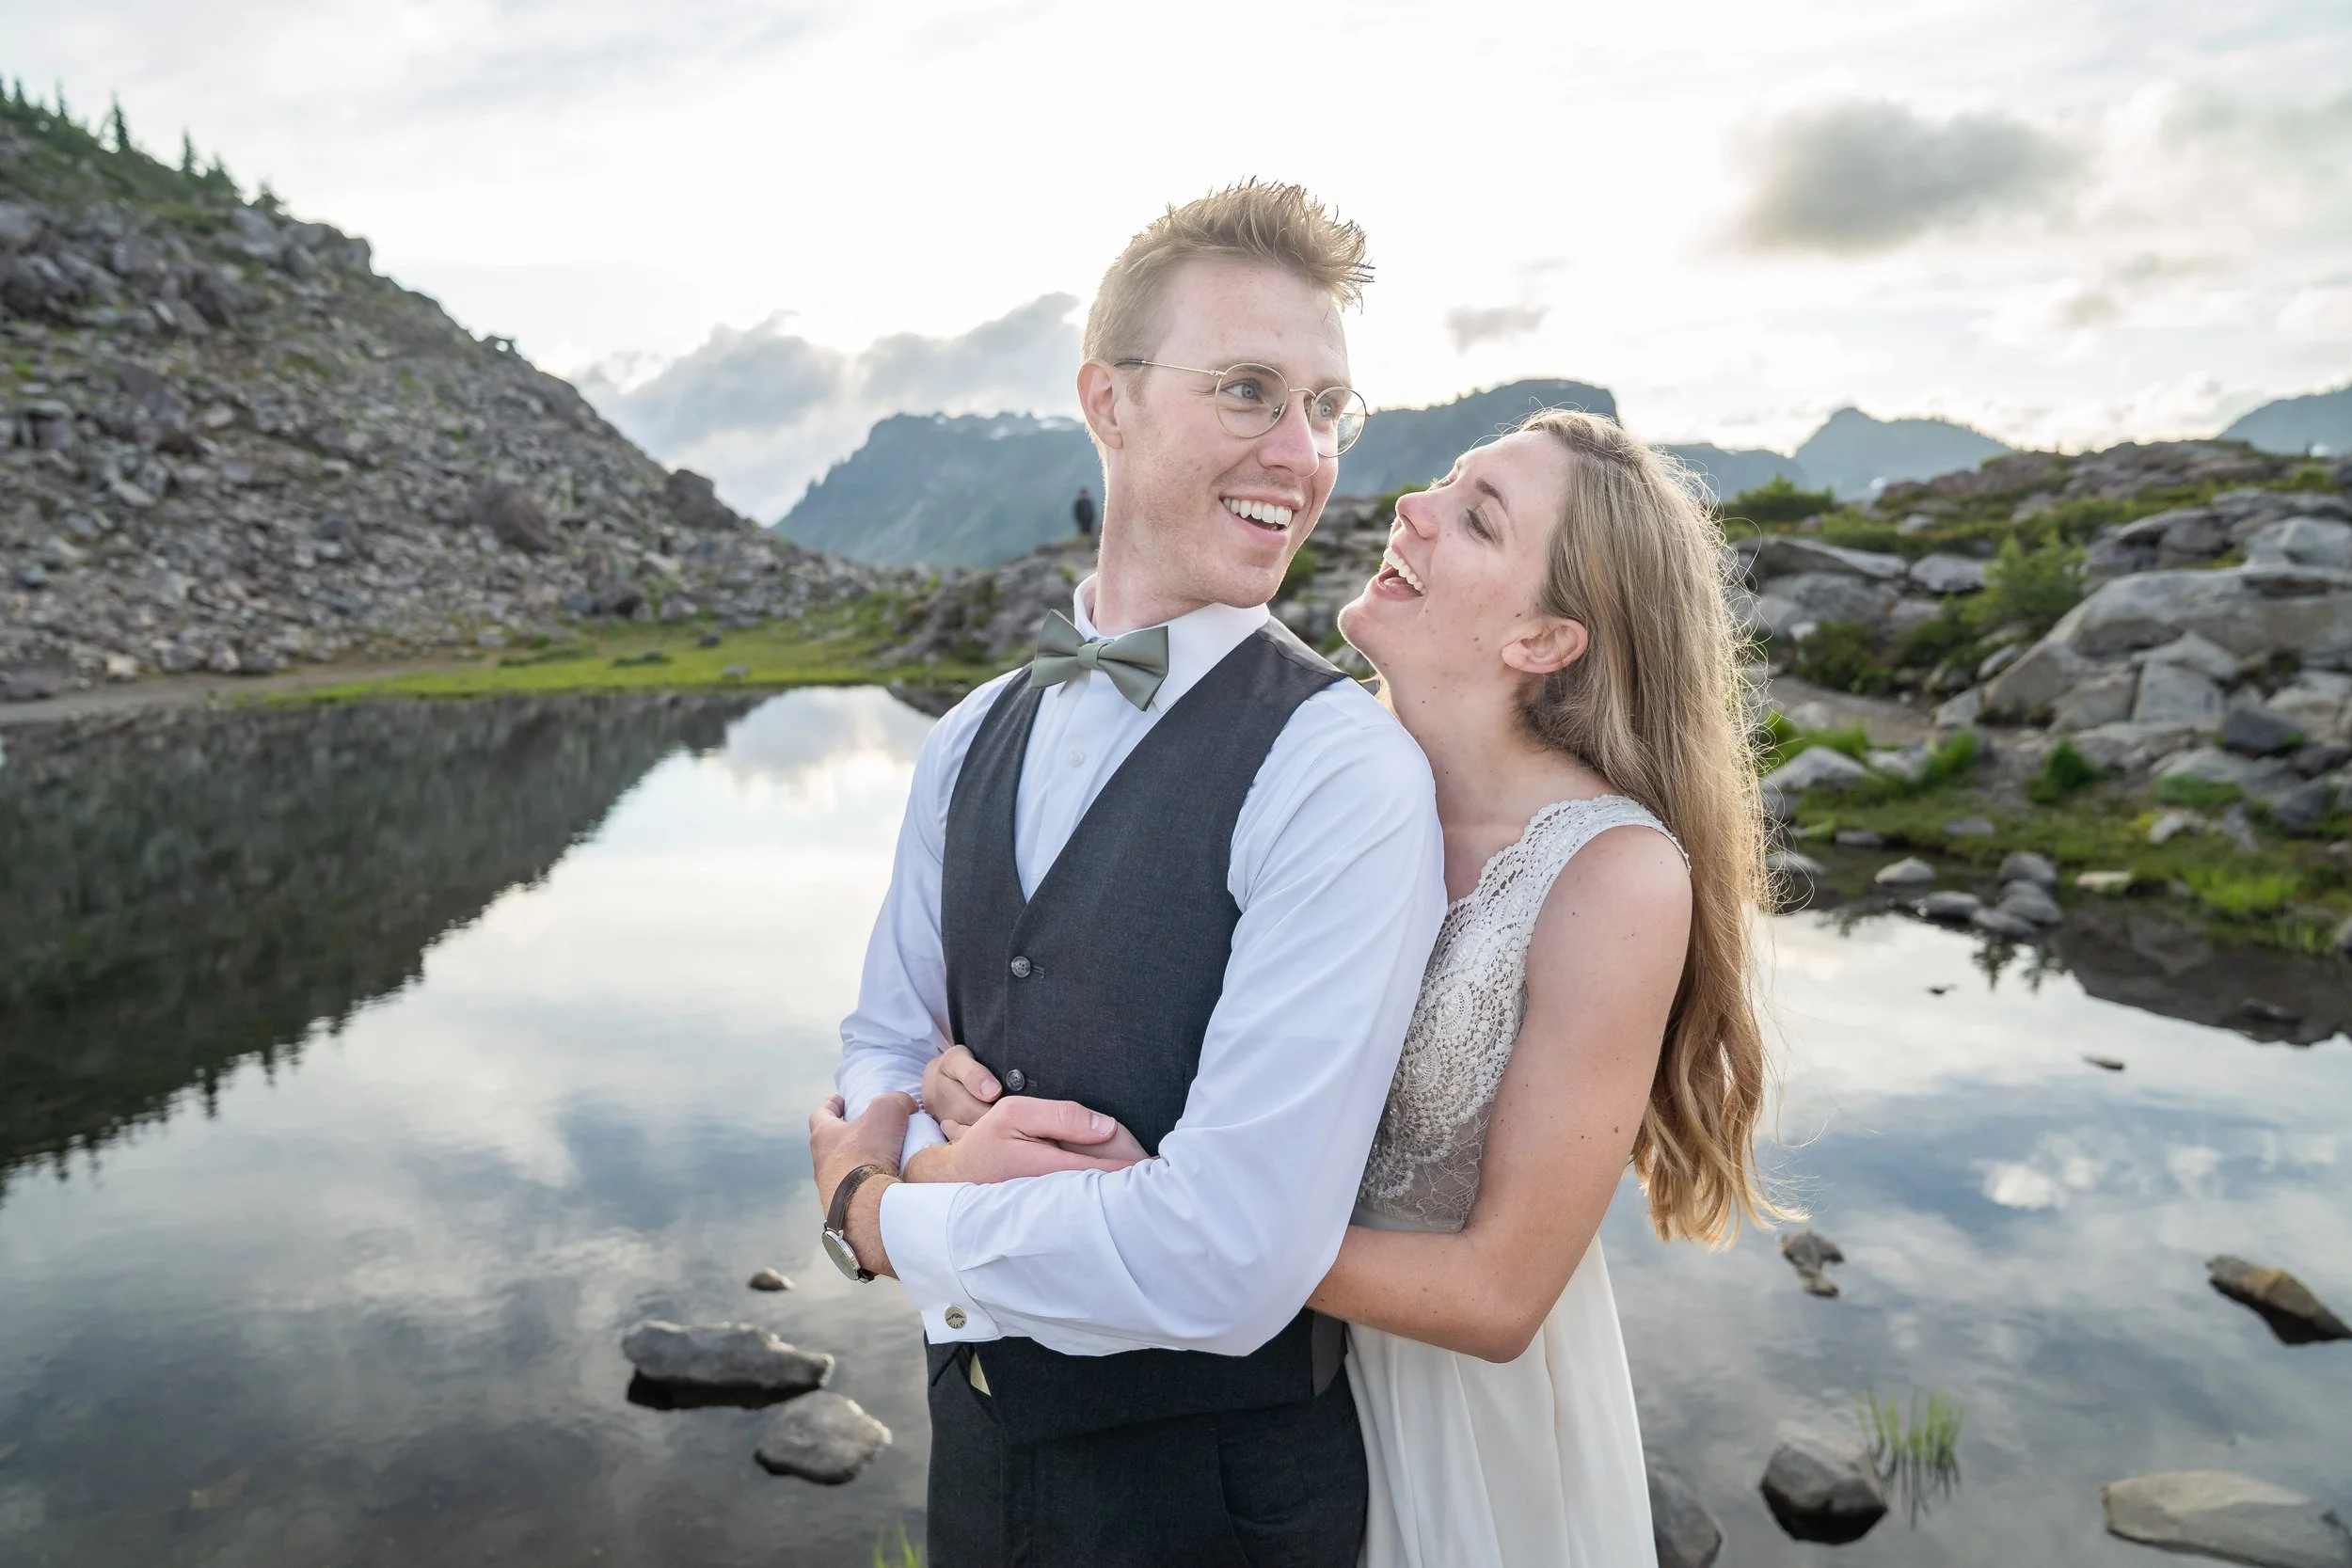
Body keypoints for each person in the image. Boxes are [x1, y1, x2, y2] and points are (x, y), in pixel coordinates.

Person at [910, 409, 1781, 1565]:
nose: (1410, 507)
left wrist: (1211, 1228)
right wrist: (966, 1084)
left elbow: (1500, 1295)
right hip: (1250, 1396)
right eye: (1443, 482)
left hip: (1447, 1413)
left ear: (1544, 638)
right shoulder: (1312, 778)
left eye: (1476, 518)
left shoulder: (1611, 877)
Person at [809, 181, 1444, 1568]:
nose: (1300, 452)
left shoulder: (1345, 771)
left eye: (1326, 407)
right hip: (974, 1454)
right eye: (1247, 391)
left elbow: (1231, 1255)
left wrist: (888, 1208)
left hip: (1213, 1500)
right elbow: (883, 1038)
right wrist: (921, 1134)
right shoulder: (972, 730)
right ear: (1109, 400)